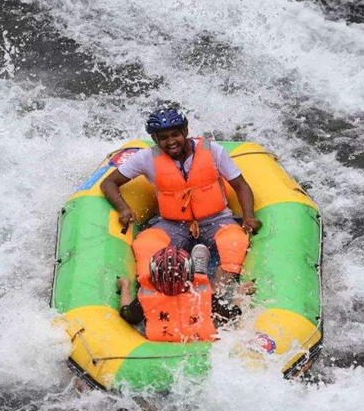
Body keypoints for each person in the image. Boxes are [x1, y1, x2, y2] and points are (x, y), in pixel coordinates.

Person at [100, 108, 262, 291]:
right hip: (172, 223)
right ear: (154, 139)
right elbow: (109, 183)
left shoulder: (213, 151)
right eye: (163, 138)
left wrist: (249, 216)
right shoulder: (145, 158)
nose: (170, 142)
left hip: (216, 219)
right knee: (146, 244)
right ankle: (154, 293)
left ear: (185, 131)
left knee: (234, 240)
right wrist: (123, 208)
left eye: (175, 134)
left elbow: (241, 185)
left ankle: (217, 294)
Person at [117, 244, 254, 342]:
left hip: (160, 345)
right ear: (189, 275)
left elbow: (127, 314)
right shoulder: (203, 296)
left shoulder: (145, 299)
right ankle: (200, 271)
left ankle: (199, 270)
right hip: (200, 343)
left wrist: (125, 287)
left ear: (153, 276)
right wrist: (240, 293)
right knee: (211, 285)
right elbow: (232, 316)